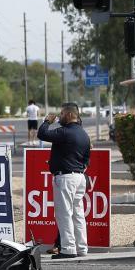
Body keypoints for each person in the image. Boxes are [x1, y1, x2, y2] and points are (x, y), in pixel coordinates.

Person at [39, 104, 92, 259]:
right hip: (79, 177)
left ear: (69, 115)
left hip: (66, 178)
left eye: (61, 113)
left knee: (64, 214)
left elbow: (42, 134)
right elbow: (87, 159)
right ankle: (82, 247)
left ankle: (68, 248)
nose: (59, 116)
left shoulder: (64, 132)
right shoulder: (84, 134)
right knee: (78, 214)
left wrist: (47, 121)